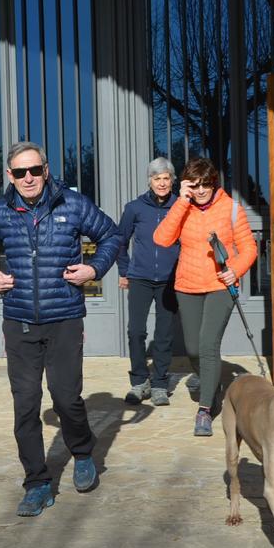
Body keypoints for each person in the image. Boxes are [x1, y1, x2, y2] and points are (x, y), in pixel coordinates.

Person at [0, 141, 123, 517]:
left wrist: (94, 269)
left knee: (66, 396)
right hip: (19, 321)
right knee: (25, 405)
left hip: (65, 319)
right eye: (20, 172)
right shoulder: (0, 211)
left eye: (34, 170)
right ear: (10, 176)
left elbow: (112, 235)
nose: (28, 178)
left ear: (46, 170)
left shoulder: (72, 205)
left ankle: (83, 451)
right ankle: (37, 483)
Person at [153, 157, 257, 437]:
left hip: (219, 286)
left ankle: (205, 410)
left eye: (206, 185)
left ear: (214, 184)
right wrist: (181, 201)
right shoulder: (183, 207)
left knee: (208, 345)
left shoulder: (232, 209)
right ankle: (213, 383)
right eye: (195, 185)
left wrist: (234, 270)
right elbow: (161, 239)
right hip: (187, 285)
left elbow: (248, 248)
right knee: (193, 349)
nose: (201, 191)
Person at [116, 157, 181, 406]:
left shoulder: (180, 207)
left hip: (169, 280)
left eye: (166, 178)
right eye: (157, 178)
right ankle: (139, 381)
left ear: (172, 180)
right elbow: (120, 241)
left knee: (164, 334)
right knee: (136, 331)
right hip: (140, 278)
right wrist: (124, 270)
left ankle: (160, 385)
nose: (162, 183)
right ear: (150, 181)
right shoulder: (134, 208)